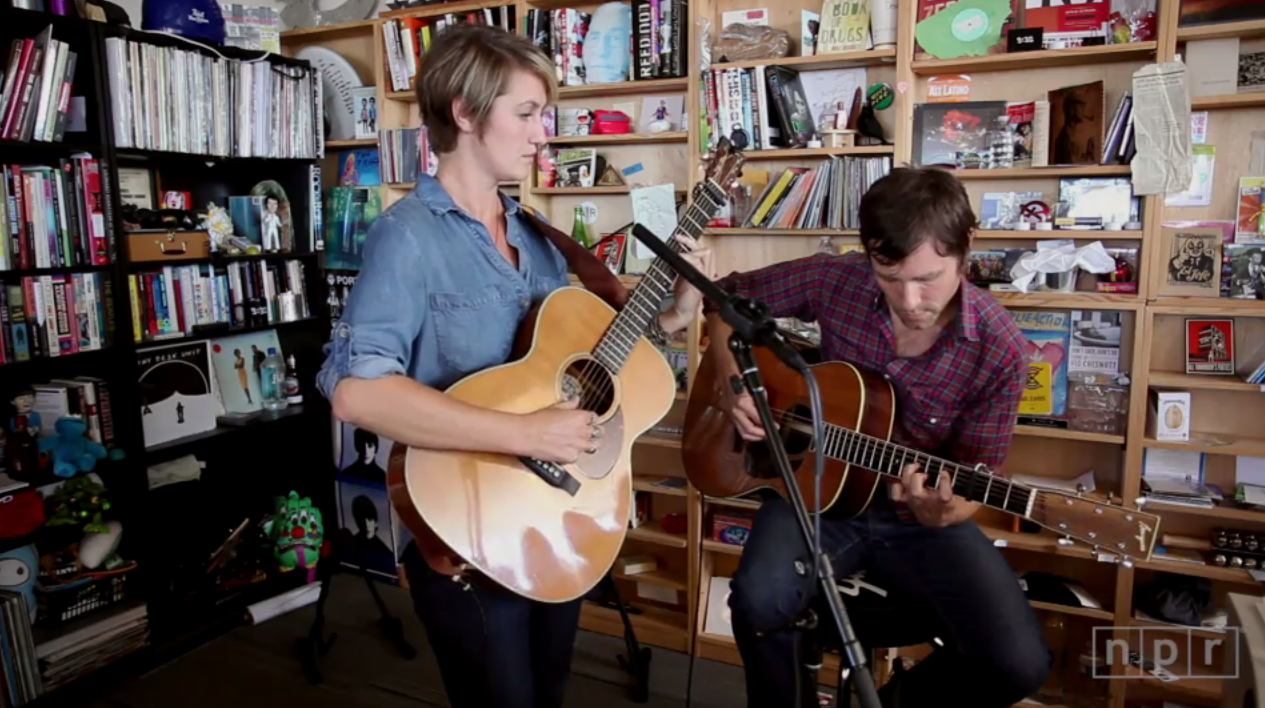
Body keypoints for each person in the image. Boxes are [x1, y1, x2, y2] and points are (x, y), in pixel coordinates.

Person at [315, 24, 714, 708]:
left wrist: (676, 314)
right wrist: (529, 436)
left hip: (551, 515)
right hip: (464, 532)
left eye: (543, 116)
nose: (541, 136)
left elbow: (576, 364)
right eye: (526, 114)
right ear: (466, 114)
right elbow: (357, 393)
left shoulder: (535, 237)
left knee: (549, 693)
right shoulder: (406, 238)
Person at [705, 167, 1049, 708]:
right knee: (758, 601)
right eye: (890, 278)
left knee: (1016, 664)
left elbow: (977, 479)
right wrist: (732, 388)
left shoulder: (999, 349)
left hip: (913, 517)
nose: (909, 300)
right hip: (816, 491)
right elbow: (725, 303)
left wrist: (941, 511)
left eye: (929, 278)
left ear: (967, 250)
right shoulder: (835, 279)